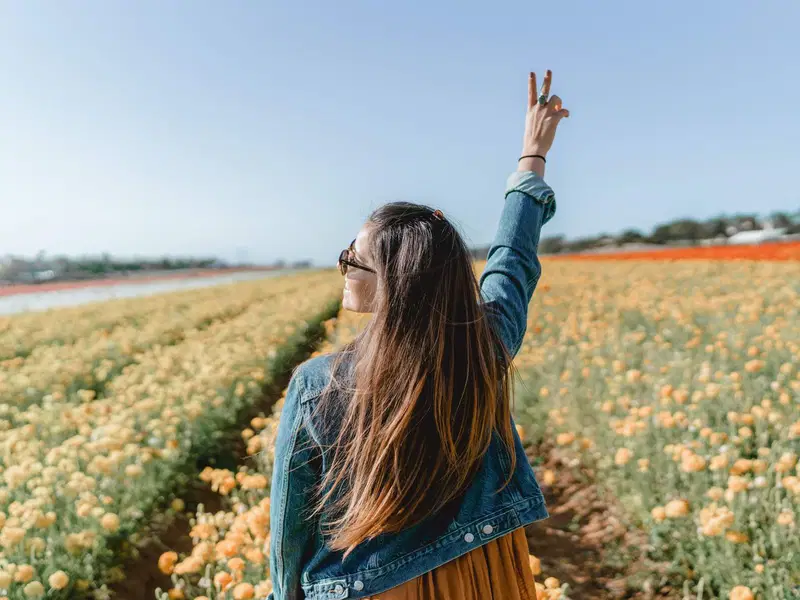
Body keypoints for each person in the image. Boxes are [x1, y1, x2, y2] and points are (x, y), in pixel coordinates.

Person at [268, 70, 569, 600]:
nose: (342, 268)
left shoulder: (318, 386)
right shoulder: (483, 349)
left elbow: (290, 533)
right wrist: (532, 157)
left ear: (396, 282)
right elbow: (511, 263)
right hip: (482, 572)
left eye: (352, 260)